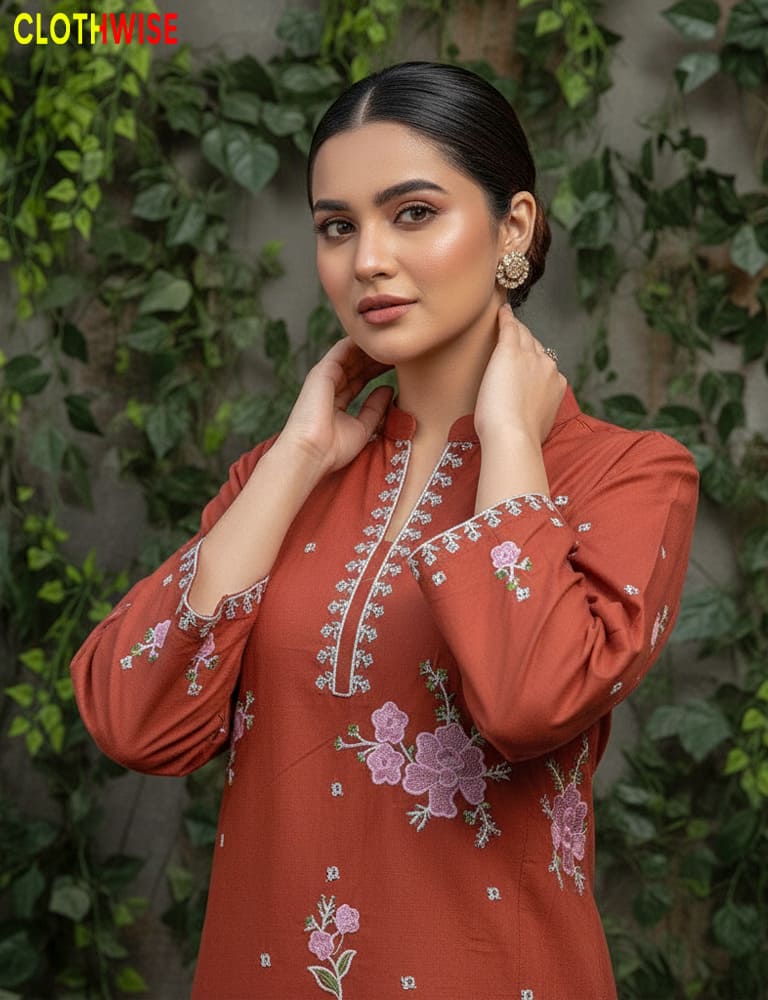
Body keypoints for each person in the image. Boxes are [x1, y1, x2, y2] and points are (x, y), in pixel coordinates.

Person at [71, 61, 699, 999]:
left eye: (412, 213)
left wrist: (508, 445)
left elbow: (531, 701)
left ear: (513, 229)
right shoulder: (286, 481)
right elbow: (135, 720)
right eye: (337, 225)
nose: (367, 258)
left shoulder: (628, 477)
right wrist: (294, 457)